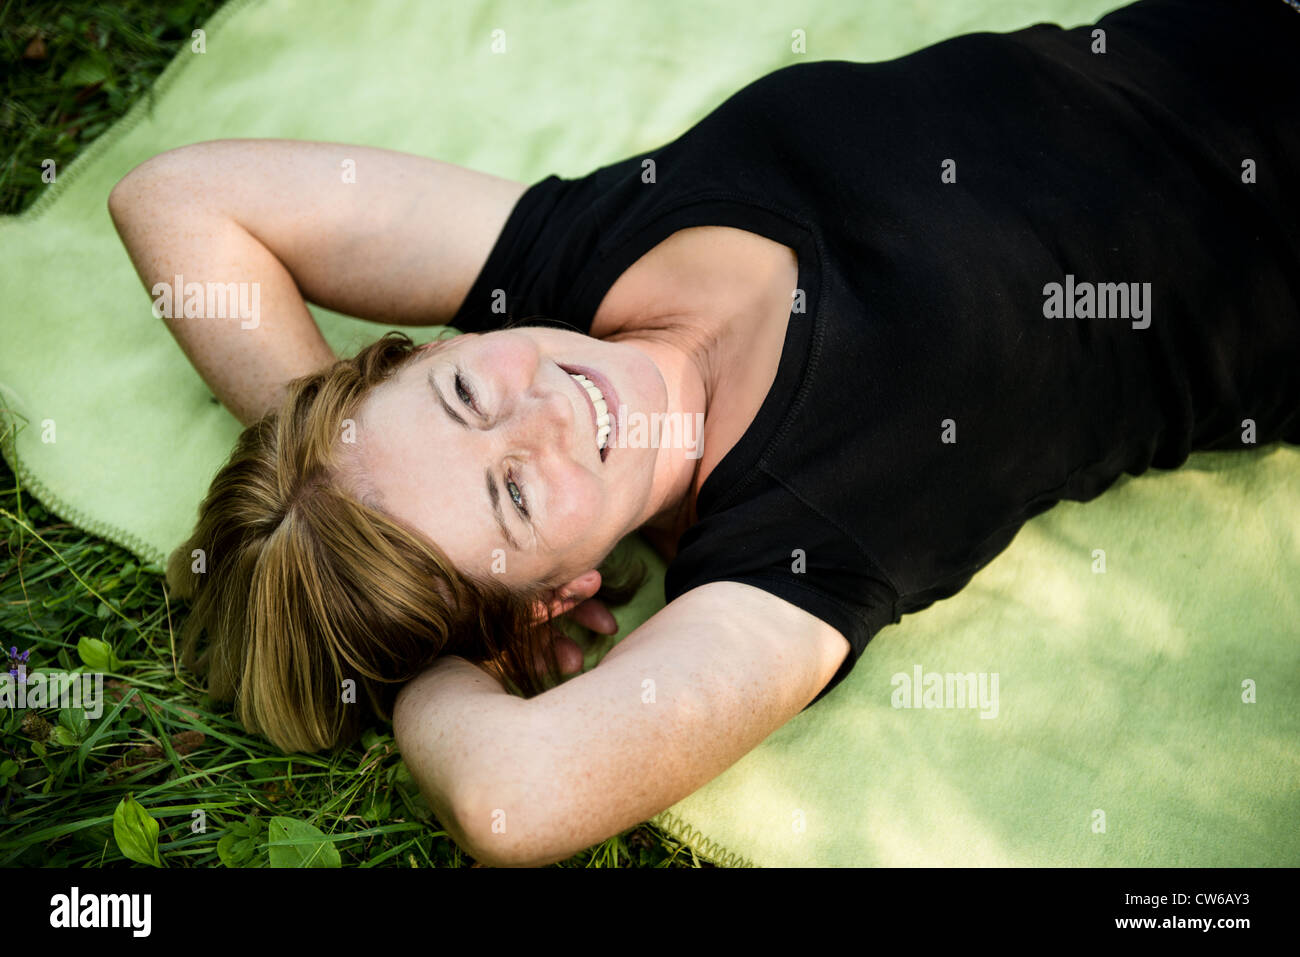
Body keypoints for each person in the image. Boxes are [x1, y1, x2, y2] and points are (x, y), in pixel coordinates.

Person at [107, 0, 1300, 867]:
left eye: (463, 397)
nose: (548, 410)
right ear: (552, 599)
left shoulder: (569, 256)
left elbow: (171, 198)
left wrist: (324, 470)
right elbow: (513, 802)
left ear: (431, 349)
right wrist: (428, 650)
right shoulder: (797, 546)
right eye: (514, 495)